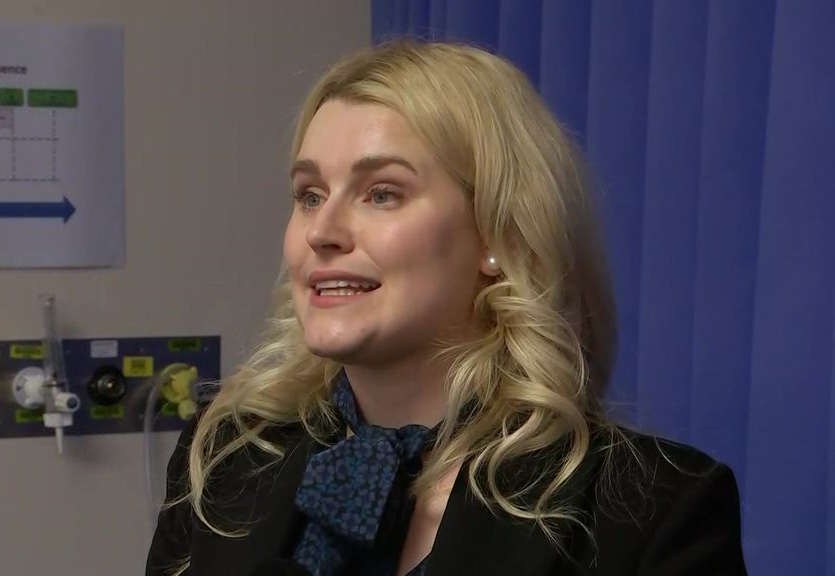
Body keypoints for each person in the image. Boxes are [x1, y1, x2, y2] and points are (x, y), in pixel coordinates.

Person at [146, 40, 747, 576]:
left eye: (382, 193)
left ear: (496, 234)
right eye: (310, 195)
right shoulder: (224, 458)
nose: (322, 232)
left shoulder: (654, 511)